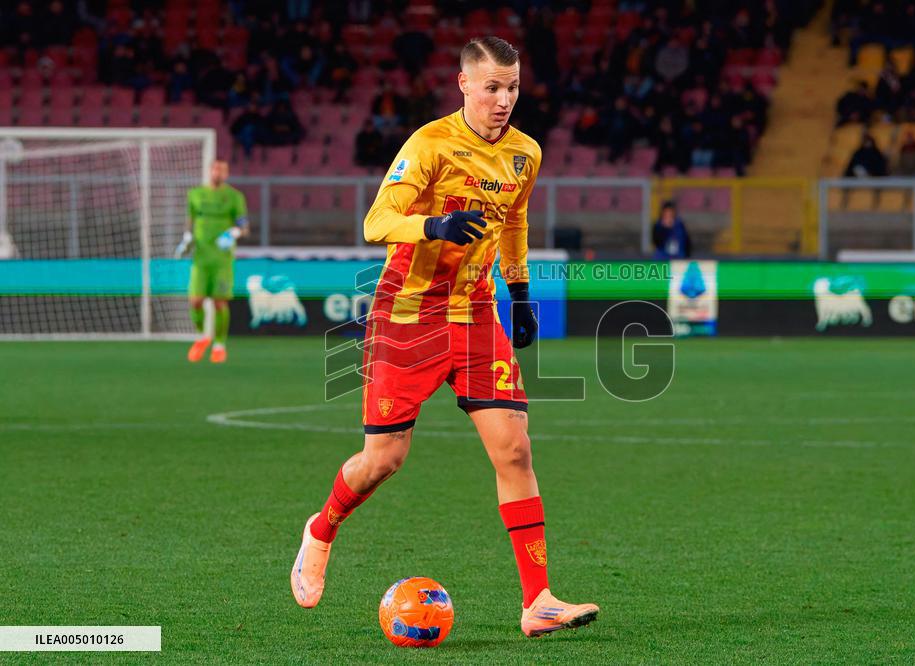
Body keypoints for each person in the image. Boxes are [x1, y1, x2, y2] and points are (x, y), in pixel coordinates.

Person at [290, 36, 600, 638]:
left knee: (514, 449)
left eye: (511, 87)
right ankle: (321, 529)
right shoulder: (429, 144)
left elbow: (514, 221)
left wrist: (519, 291)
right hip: (409, 314)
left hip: (477, 312)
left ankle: (537, 602)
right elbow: (377, 221)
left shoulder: (525, 153)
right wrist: (434, 223)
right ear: (463, 84)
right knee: (385, 459)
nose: (504, 99)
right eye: (492, 87)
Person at [174, 160, 249, 364]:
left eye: (223, 170)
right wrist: (187, 238)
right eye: (215, 169)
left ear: (227, 173)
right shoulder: (195, 194)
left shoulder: (234, 197)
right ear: (209, 171)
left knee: (219, 302)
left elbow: (244, 226)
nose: (218, 173)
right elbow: (189, 221)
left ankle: (219, 345)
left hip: (222, 259)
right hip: (201, 257)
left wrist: (234, 232)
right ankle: (202, 337)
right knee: (195, 301)